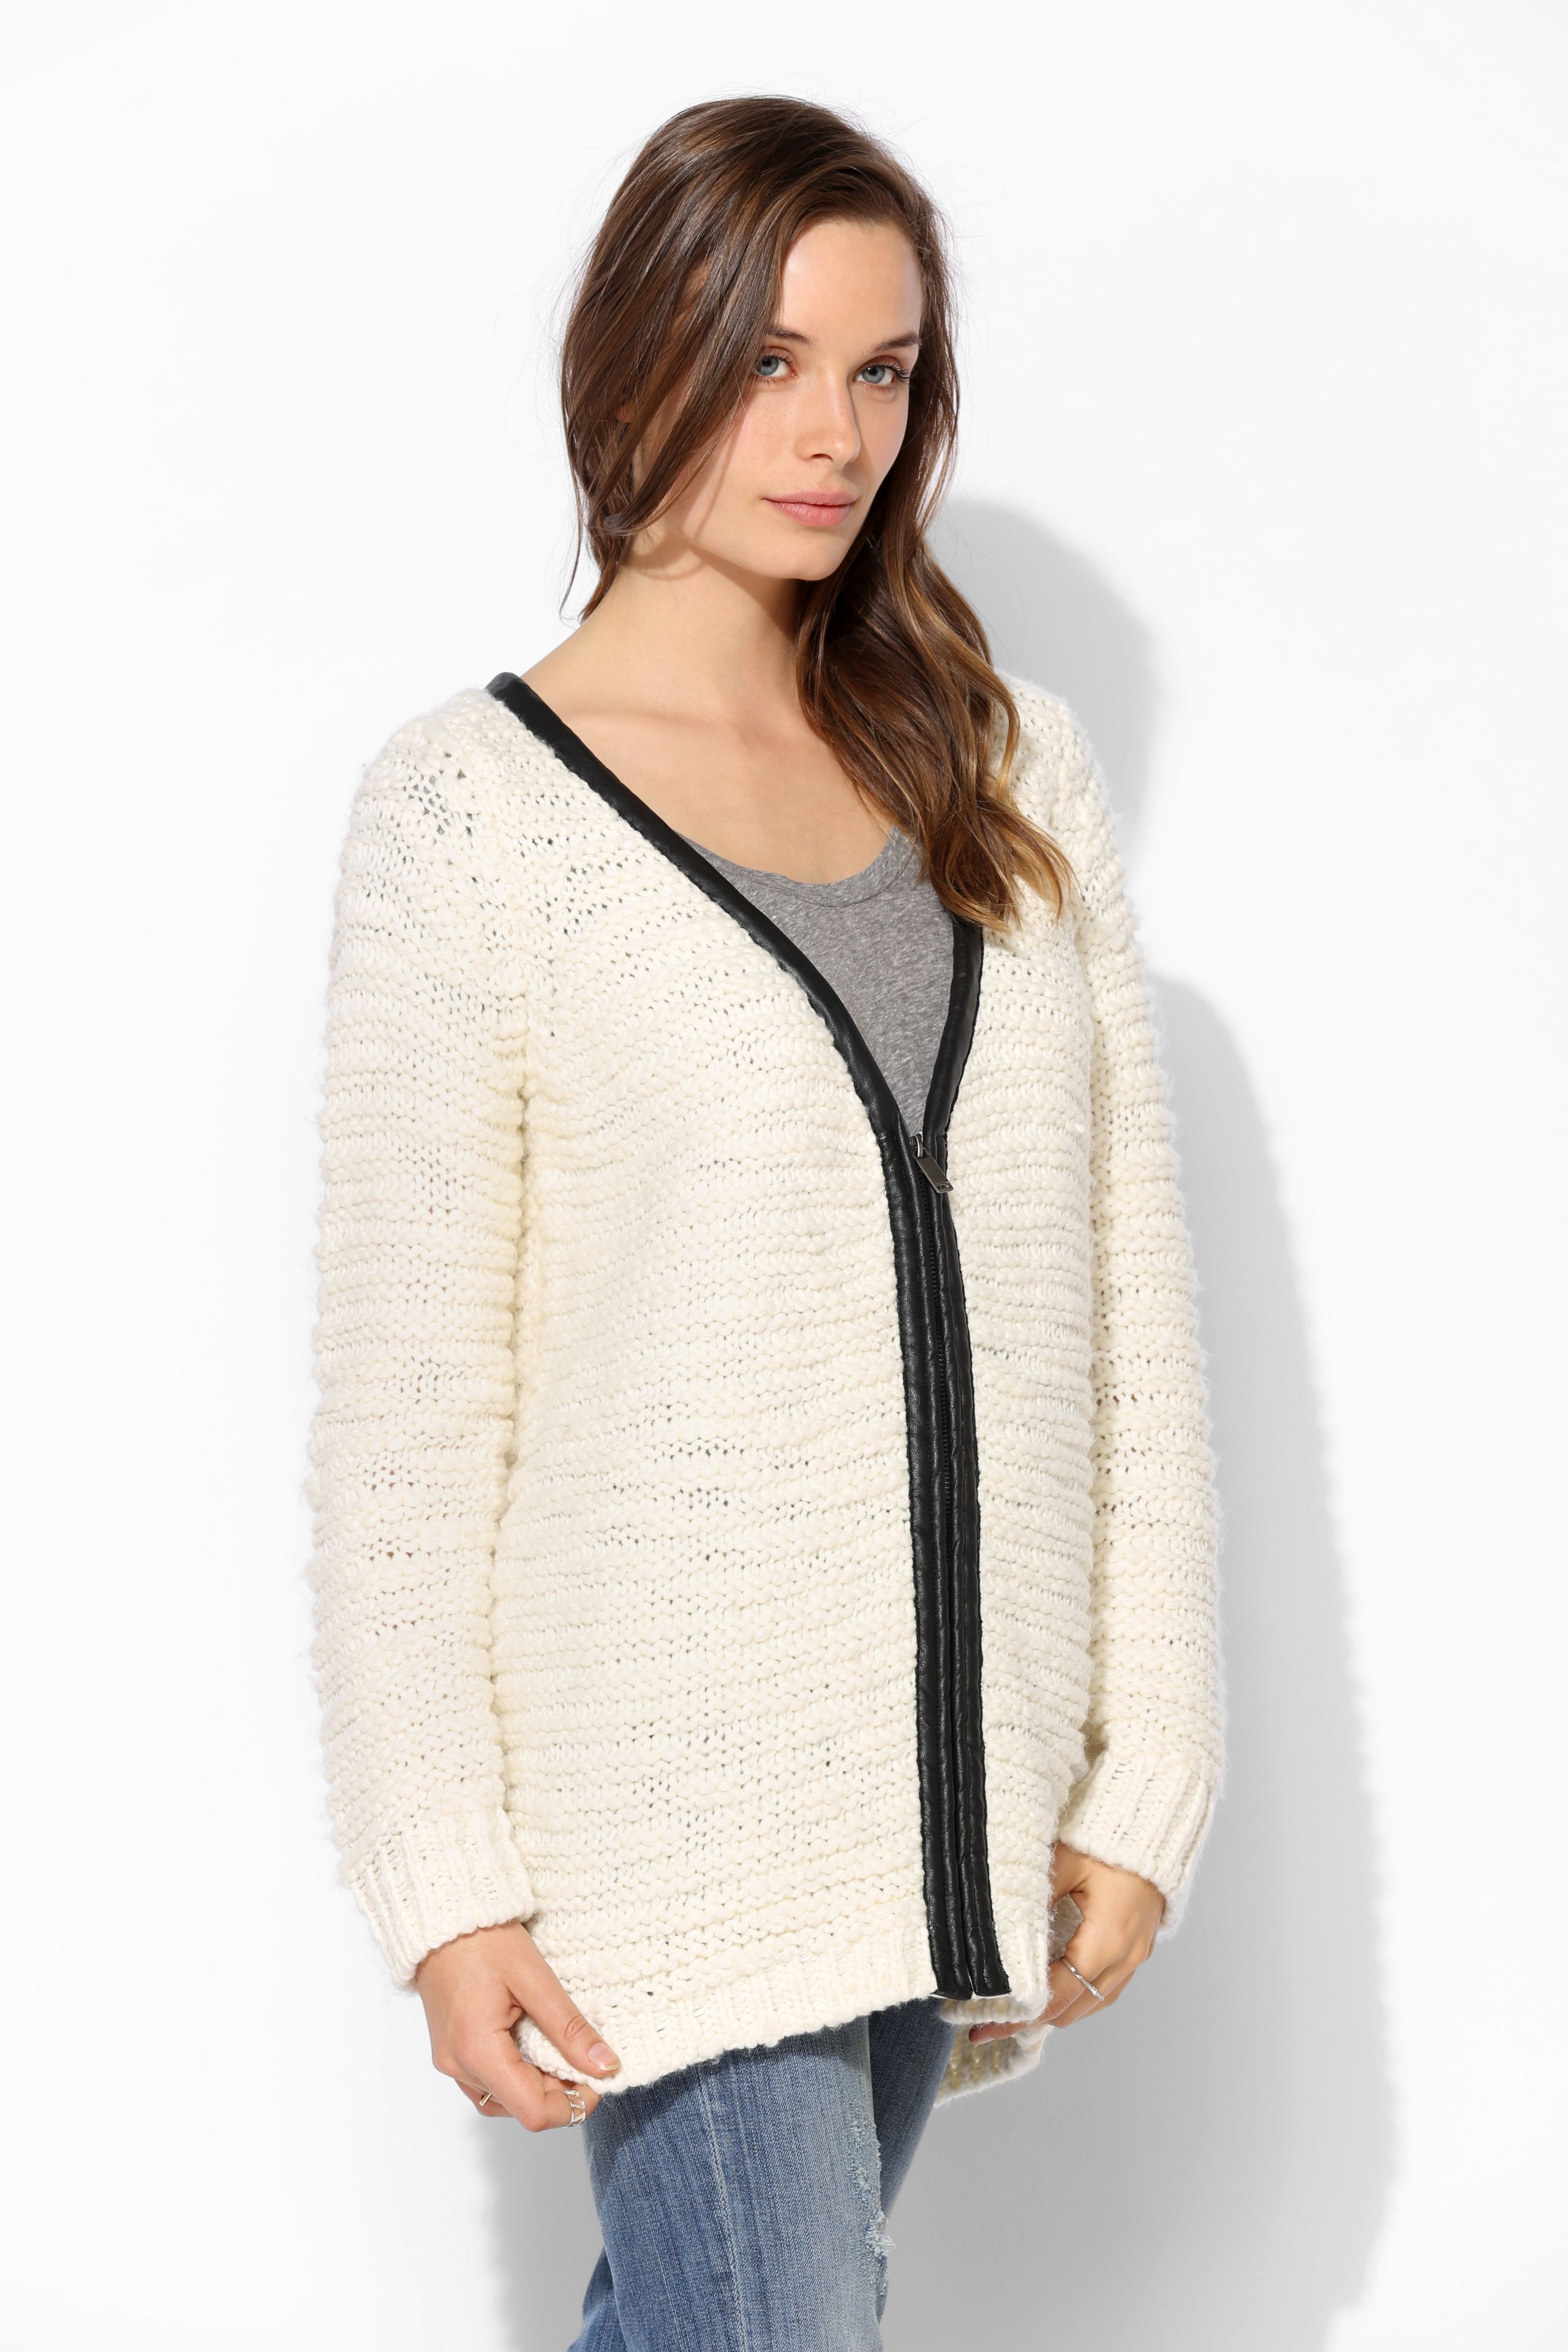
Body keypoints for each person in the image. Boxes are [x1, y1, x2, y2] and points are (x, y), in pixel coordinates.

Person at [307, 94, 1223, 2351]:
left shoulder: (1005, 767)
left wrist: (1152, 1764)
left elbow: (1130, 1313)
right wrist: (442, 1878)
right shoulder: (470, 815)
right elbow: (410, 1411)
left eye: (883, 370)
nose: (834, 436)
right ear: (641, 356)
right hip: (670, 1798)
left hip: (956, 1783)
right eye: (770, 361)